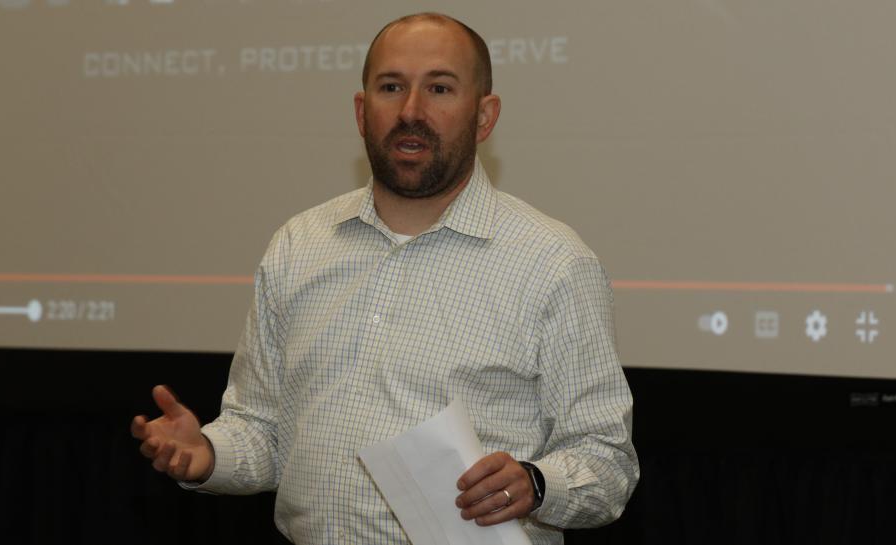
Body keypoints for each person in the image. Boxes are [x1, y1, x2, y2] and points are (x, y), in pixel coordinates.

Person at [132, 12, 639, 544]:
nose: (411, 111)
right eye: (391, 87)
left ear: (484, 117)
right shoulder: (299, 245)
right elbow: (264, 433)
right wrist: (207, 454)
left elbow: (607, 464)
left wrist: (537, 483)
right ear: (360, 110)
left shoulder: (553, 262)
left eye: (439, 88)